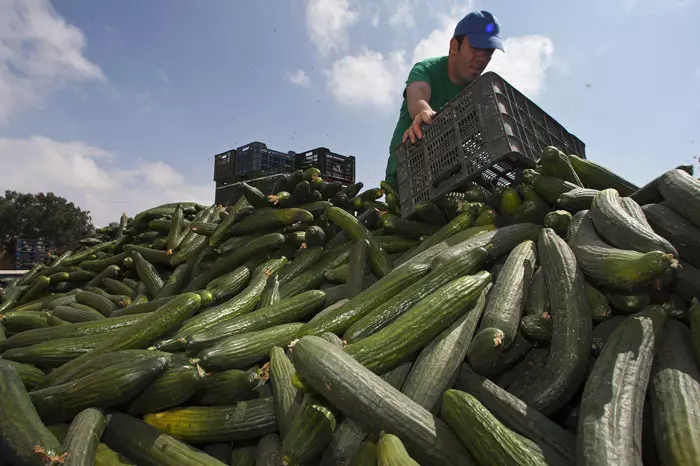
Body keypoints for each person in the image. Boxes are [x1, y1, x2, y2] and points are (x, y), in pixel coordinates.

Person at [385, 10, 505, 190]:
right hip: (405, 176)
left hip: (447, 176)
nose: (482, 58)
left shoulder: (480, 92)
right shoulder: (428, 69)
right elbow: (417, 94)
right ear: (454, 46)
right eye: (476, 48)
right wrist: (423, 112)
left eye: (489, 51)